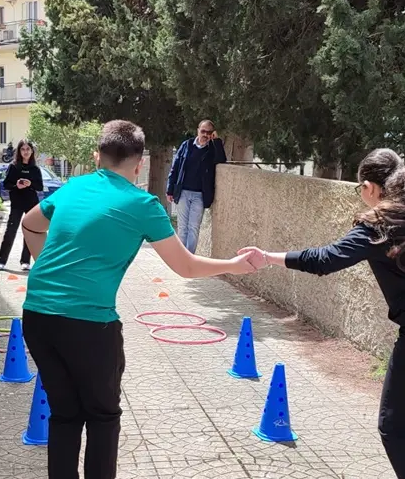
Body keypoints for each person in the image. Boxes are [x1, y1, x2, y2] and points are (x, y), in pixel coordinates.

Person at [17, 120, 261, 479]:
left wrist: (49, 270)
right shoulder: (143, 203)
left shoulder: (72, 188)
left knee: (65, 413)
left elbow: (29, 224)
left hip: (37, 315)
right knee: (102, 416)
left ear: (96, 156)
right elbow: (186, 266)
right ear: (138, 164)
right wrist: (235, 265)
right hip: (89, 324)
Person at [237, 148, 405, 479]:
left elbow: (326, 259)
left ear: (370, 187)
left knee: (393, 427)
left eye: (361, 190)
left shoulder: (380, 223)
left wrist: (269, 256)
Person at [165, 119, 227, 253]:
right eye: (203, 131)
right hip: (183, 192)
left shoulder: (212, 149)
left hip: (200, 194)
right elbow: (175, 168)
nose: (205, 134)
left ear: (212, 134)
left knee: (194, 227)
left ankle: (189, 257)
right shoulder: (186, 145)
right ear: (198, 130)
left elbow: (222, 160)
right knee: (182, 227)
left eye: (209, 132)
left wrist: (216, 141)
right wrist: (170, 189)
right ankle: (180, 256)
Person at [0, 139, 44, 271]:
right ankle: (1, 261)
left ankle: (25, 261)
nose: (26, 152)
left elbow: (40, 187)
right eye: (23, 149)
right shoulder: (13, 166)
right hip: (17, 203)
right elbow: (6, 184)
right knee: (10, 230)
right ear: (19, 151)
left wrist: (30, 184)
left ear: (32, 151)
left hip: (32, 204)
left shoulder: (35, 168)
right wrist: (16, 185)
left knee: (29, 231)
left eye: (28, 149)